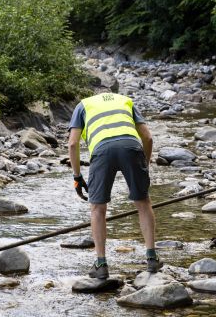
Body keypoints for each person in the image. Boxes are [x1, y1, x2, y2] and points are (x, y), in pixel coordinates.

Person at [68, 92, 161, 279]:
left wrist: (77, 176)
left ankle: (101, 264)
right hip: (131, 147)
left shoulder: (82, 106)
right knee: (143, 203)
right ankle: (152, 258)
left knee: (98, 209)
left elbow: (72, 144)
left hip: (102, 151)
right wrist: (145, 163)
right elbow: (148, 138)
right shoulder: (125, 100)